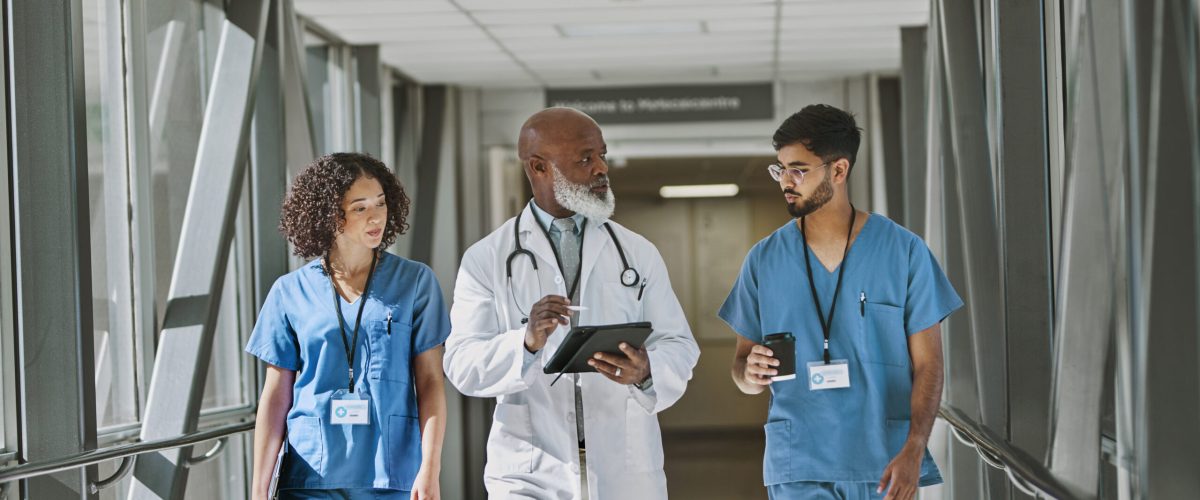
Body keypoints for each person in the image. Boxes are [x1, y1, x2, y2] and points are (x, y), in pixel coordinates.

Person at [443, 107, 700, 499]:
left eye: (602, 155)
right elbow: (461, 364)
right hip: (529, 472)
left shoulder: (636, 252)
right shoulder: (487, 259)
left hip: (625, 472)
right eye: (585, 158)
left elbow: (680, 345)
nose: (601, 168)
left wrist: (647, 370)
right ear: (539, 167)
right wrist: (525, 343)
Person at [720, 104, 962, 500]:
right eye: (780, 169)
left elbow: (929, 364)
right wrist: (750, 374)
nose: (785, 181)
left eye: (798, 169)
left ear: (838, 170)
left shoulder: (903, 253)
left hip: (883, 463)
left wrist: (916, 447)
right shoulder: (764, 260)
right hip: (798, 462)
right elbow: (741, 367)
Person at [246, 153, 450, 500]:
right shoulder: (289, 291)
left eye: (381, 204)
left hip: (390, 473)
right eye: (360, 208)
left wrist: (430, 467)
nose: (376, 217)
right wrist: (258, 488)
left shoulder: (415, 282)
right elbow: (276, 394)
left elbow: (430, 382)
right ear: (330, 216)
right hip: (311, 473)